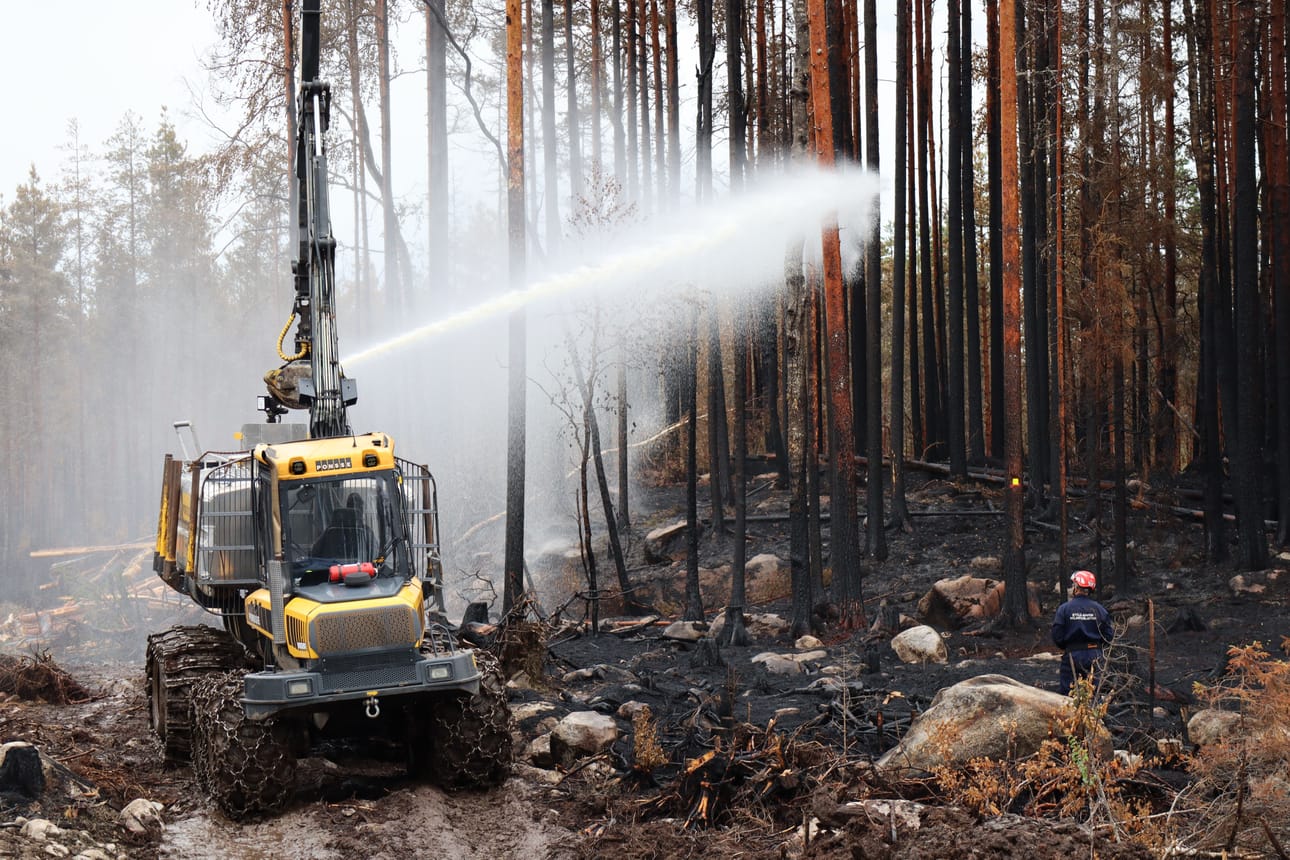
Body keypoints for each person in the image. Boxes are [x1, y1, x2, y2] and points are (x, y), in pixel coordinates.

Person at [1051, 570, 1114, 696]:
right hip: (1095, 655)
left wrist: (1068, 646)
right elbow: (1109, 635)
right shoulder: (1099, 609)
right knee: (1094, 693)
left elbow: (1057, 635)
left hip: (1072, 655)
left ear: (1076, 587)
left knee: (1068, 694)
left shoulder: (1064, 609)